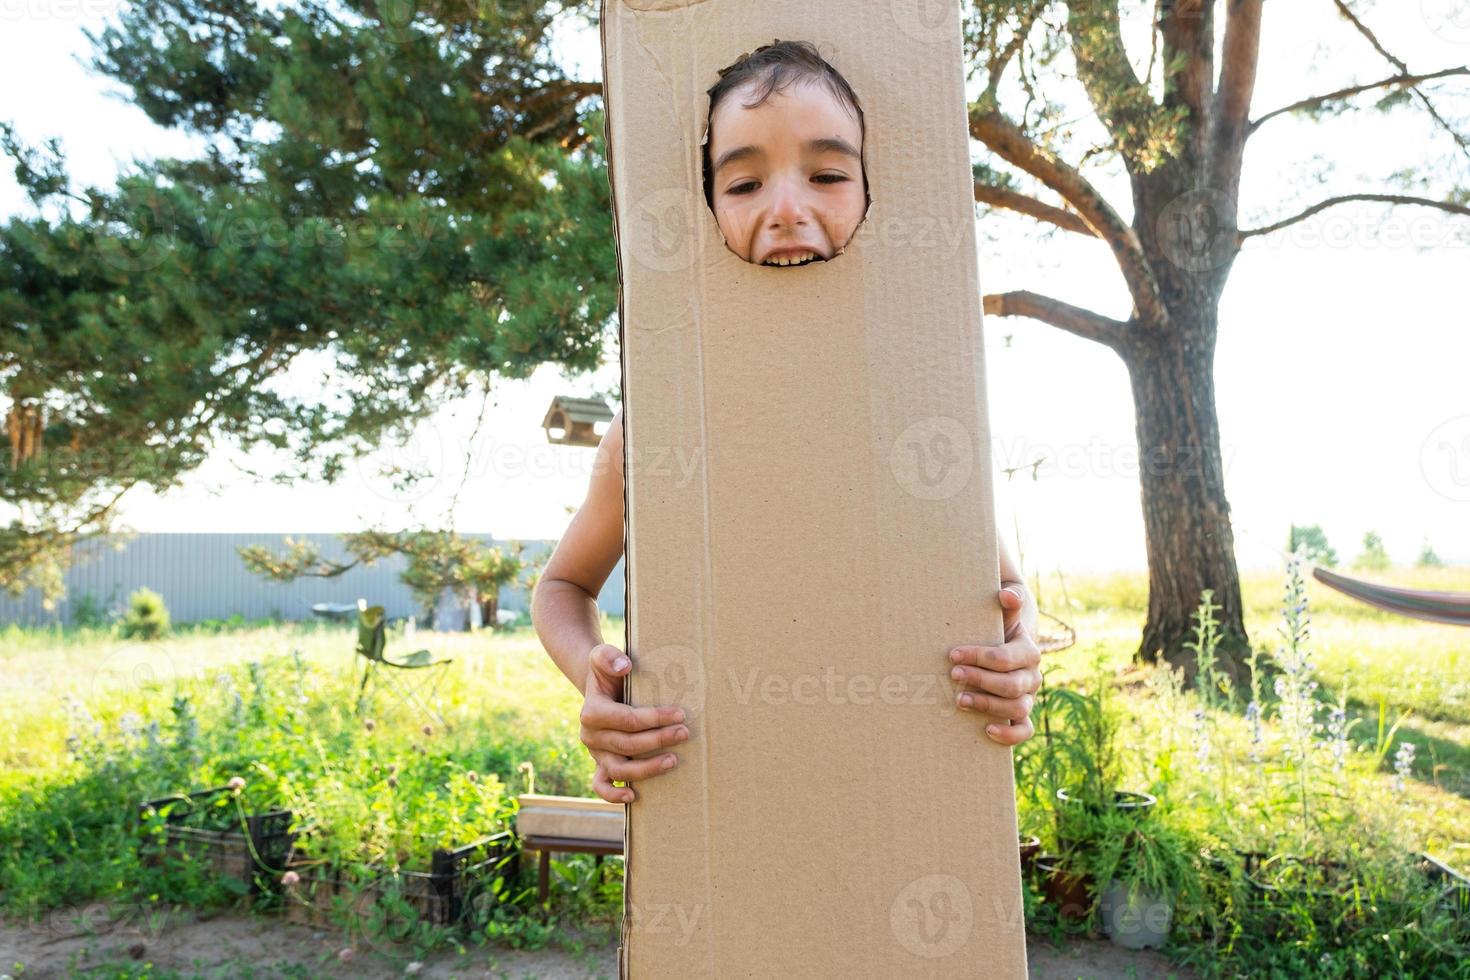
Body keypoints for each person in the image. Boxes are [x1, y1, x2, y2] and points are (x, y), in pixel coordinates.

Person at [531, 40, 1041, 806]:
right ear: (706, 207)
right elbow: (564, 585)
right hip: (713, 795)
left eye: (828, 174)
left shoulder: (922, 418)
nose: (786, 209)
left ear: (874, 191)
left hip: (900, 795)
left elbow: (1001, 587)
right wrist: (592, 674)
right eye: (743, 183)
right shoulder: (656, 430)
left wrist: (1020, 653)